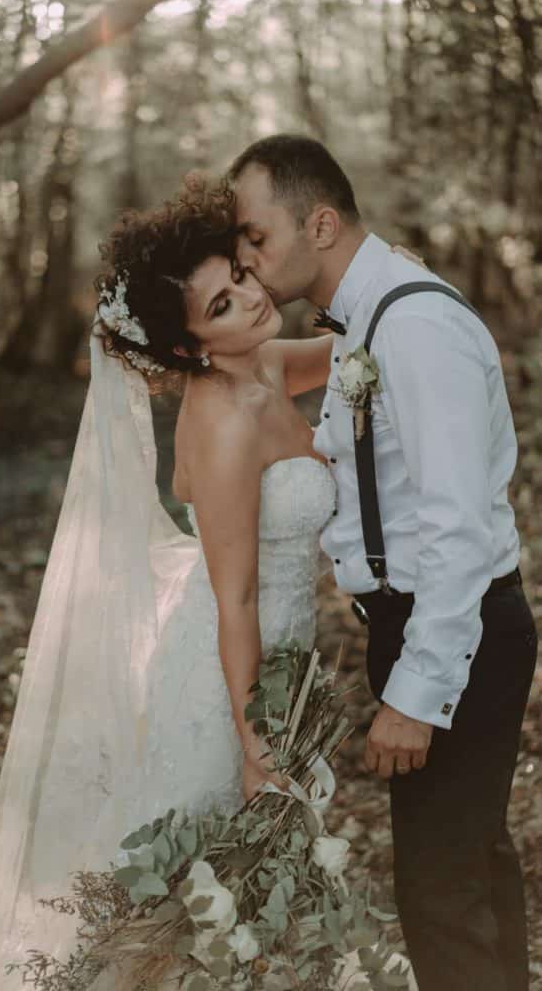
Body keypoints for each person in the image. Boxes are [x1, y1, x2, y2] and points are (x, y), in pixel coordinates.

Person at [0, 178, 341, 990]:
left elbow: (356, 352)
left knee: (231, 912)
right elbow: (237, 601)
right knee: (187, 906)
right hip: (232, 677)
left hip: (283, 656)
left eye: (241, 276)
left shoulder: (260, 363)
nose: (250, 300)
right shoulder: (221, 422)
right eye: (220, 305)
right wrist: (257, 749)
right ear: (188, 348)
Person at [229, 132, 537, 991]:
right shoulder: (367, 319)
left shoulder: (415, 325)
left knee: (439, 891)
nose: (246, 259)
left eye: (256, 236)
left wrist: (418, 692)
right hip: (415, 623)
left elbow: (457, 528)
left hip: (454, 627)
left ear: (319, 223)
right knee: (471, 867)